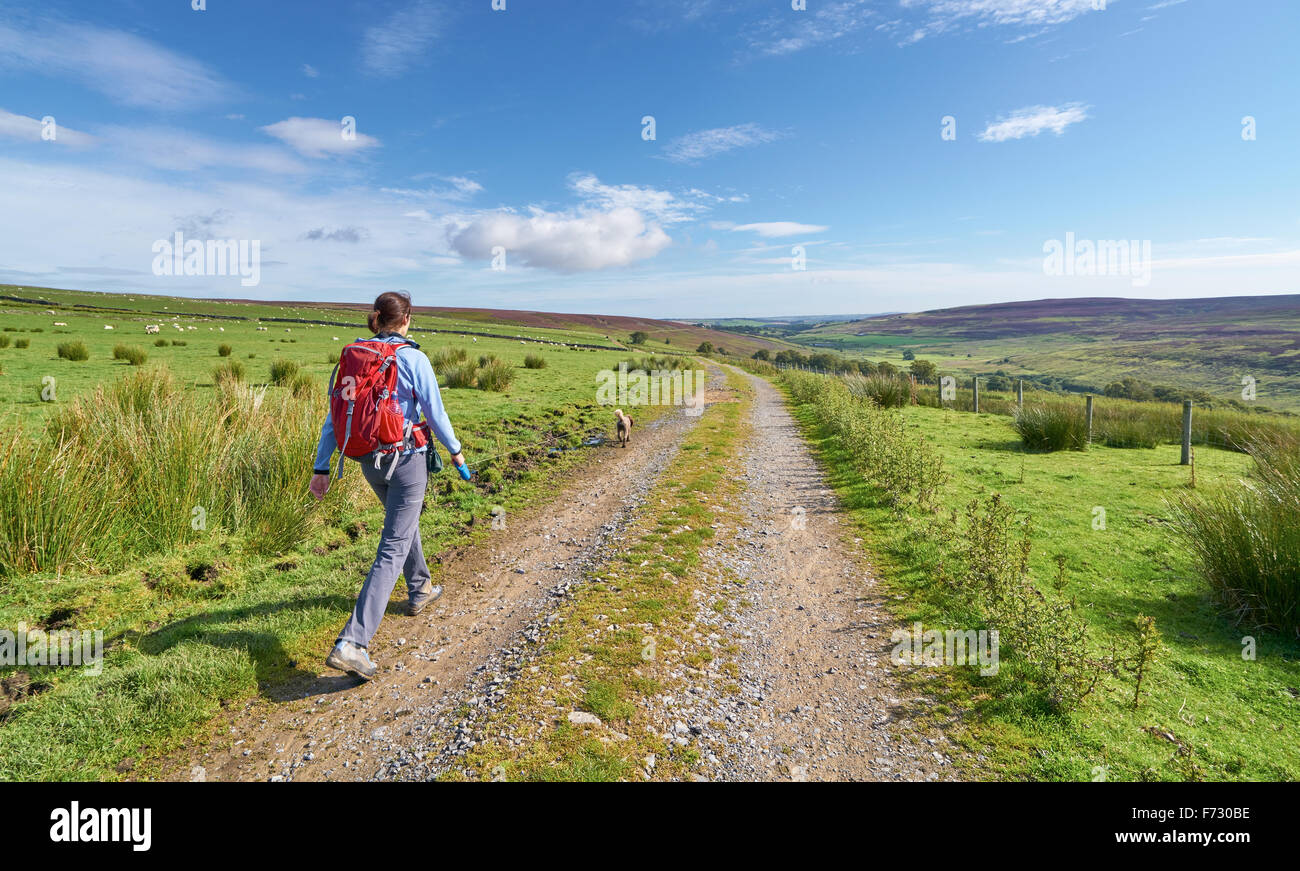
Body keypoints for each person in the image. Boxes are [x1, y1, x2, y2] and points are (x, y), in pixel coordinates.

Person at [308, 291, 470, 680]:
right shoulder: (414, 357)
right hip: (407, 461)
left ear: (377, 319)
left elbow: (336, 417)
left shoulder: (354, 358)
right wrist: (457, 451)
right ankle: (353, 643)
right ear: (406, 320)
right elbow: (434, 411)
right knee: (392, 546)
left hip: (367, 462)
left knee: (402, 523)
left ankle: (420, 588)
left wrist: (321, 466)